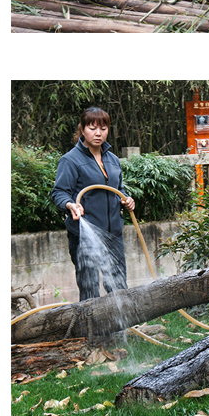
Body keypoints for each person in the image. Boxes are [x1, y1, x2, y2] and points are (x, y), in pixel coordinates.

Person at [51, 107, 135, 301]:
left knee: (118, 285)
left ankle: (121, 328)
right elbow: (59, 192)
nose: (98, 133)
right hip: (84, 233)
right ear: (82, 129)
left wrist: (126, 199)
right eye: (92, 127)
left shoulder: (112, 159)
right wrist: (70, 204)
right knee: (89, 288)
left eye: (103, 128)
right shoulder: (70, 160)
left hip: (113, 232)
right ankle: (91, 330)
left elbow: (117, 188)